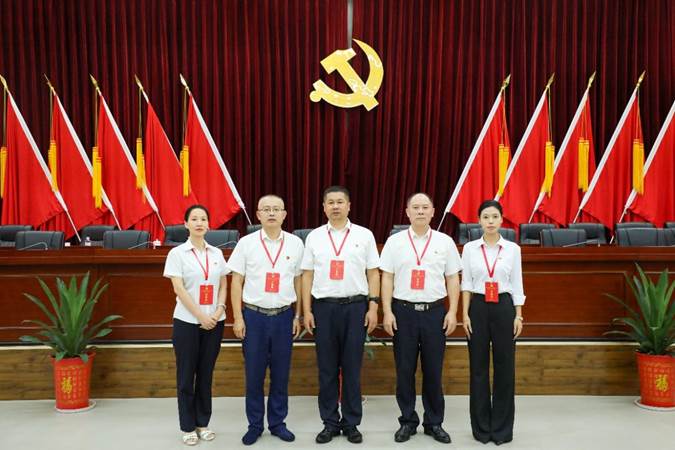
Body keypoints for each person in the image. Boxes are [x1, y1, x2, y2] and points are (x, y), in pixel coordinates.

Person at [301, 185, 380, 444]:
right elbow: (307, 275)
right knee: (326, 369)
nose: (335, 206)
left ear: (349, 206)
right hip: (324, 309)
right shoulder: (314, 237)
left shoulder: (364, 235)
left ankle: (351, 423)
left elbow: (373, 273)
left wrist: (373, 306)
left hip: (355, 307)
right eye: (331, 202)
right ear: (324, 207)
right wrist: (306, 310)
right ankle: (330, 423)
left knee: (352, 368)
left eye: (340, 202)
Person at [380, 193, 462, 444]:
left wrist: (452, 311)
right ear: (407, 212)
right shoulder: (395, 242)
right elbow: (387, 277)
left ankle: (434, 423)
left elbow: (452, 278)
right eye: (415, 207)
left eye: (425, 207)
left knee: (433, 371)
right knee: (404, 370)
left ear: (433, 211)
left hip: (434, 313)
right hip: (402, 312)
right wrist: (387, 311)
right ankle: (407, 421)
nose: (420, 211)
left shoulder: (445, 242)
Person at [227, 195, 304, 445]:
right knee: (254, 375)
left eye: (276, 209)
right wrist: (238, 317)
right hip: (254, 317)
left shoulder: (295, 244)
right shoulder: (246, 243)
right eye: (266, 209)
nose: (271, 213)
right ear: (258, 215)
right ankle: (255, 425)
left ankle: (278, 423)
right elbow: (236, 281)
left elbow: (299, 280)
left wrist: (298, 315)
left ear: (284, 214)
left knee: (281, 375)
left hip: (284, 317)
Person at [163, 204, 229, 446]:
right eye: (194, 219)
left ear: (209, 224)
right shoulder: (177, 254)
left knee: (205, 375)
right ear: (186, 224)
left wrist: (219, 309)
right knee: (186, 376)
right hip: (188, 322)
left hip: (215, 322)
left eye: (203, 219)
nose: (199, 223)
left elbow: (223, 283)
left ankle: (203, 423)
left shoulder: (217, 253)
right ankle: (188, 426)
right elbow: (178, 288)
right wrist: (201, 316)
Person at [460, 200, 525, 445]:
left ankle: (501, 429)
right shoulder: (469, 249)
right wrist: (464, 314)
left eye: (494, 217)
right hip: (477, 307)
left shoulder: (512, 249)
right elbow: (466, 283)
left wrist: (518, 315)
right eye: (485, 217)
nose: (490, 221)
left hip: (504, 307)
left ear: (501, 220)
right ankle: (481, 429)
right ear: (479, 220)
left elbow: (517, 283)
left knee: (504, 368)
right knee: (478, 369)